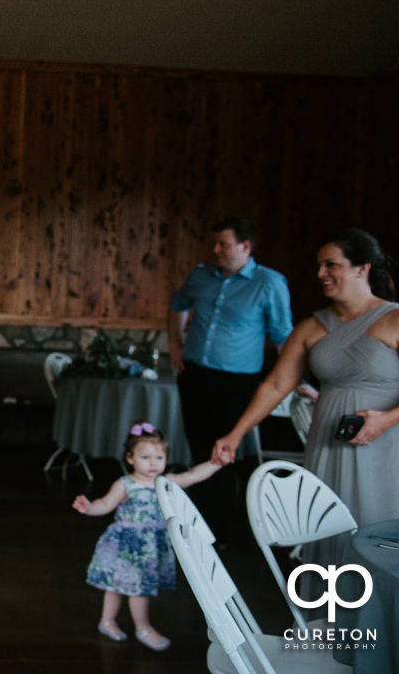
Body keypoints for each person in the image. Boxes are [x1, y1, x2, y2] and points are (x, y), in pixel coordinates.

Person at [213, 228, 399, 568]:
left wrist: (386, 420)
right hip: (326, 446)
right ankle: (330, 617)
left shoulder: (394, 318)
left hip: (386, 446)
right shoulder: (312, 327)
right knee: (325, 529)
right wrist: (235, 434)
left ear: (362, 268)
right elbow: (274, 386)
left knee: (377, 527)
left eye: (331, 265)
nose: (320, 274)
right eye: (319, 265)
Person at [167, 217, 292, 536]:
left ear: (245, 246)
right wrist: (174, 344)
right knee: (197, 447)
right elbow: (177, 305)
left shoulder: (269, 282)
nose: (216, 250)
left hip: (237, 382)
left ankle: (217, 530)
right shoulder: (200, 276)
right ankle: (193, 524)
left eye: (223, 244)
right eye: (216, 244)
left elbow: (283, 336)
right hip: (194, 374)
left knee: (221, 451)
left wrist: (297, 380)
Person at [73, 421, 223, 652]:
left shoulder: (166, 483)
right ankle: (138, 627)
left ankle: (110, 622)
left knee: (129, 586)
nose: (153, 463)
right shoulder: (125, 484)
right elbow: (105, 504)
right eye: (146, 458)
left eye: (159, 458)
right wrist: (90, 508)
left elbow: (193, 475)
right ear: (130, 458)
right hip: (126, 546)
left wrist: (215, 464)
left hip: (151, 545)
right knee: (126, 587)